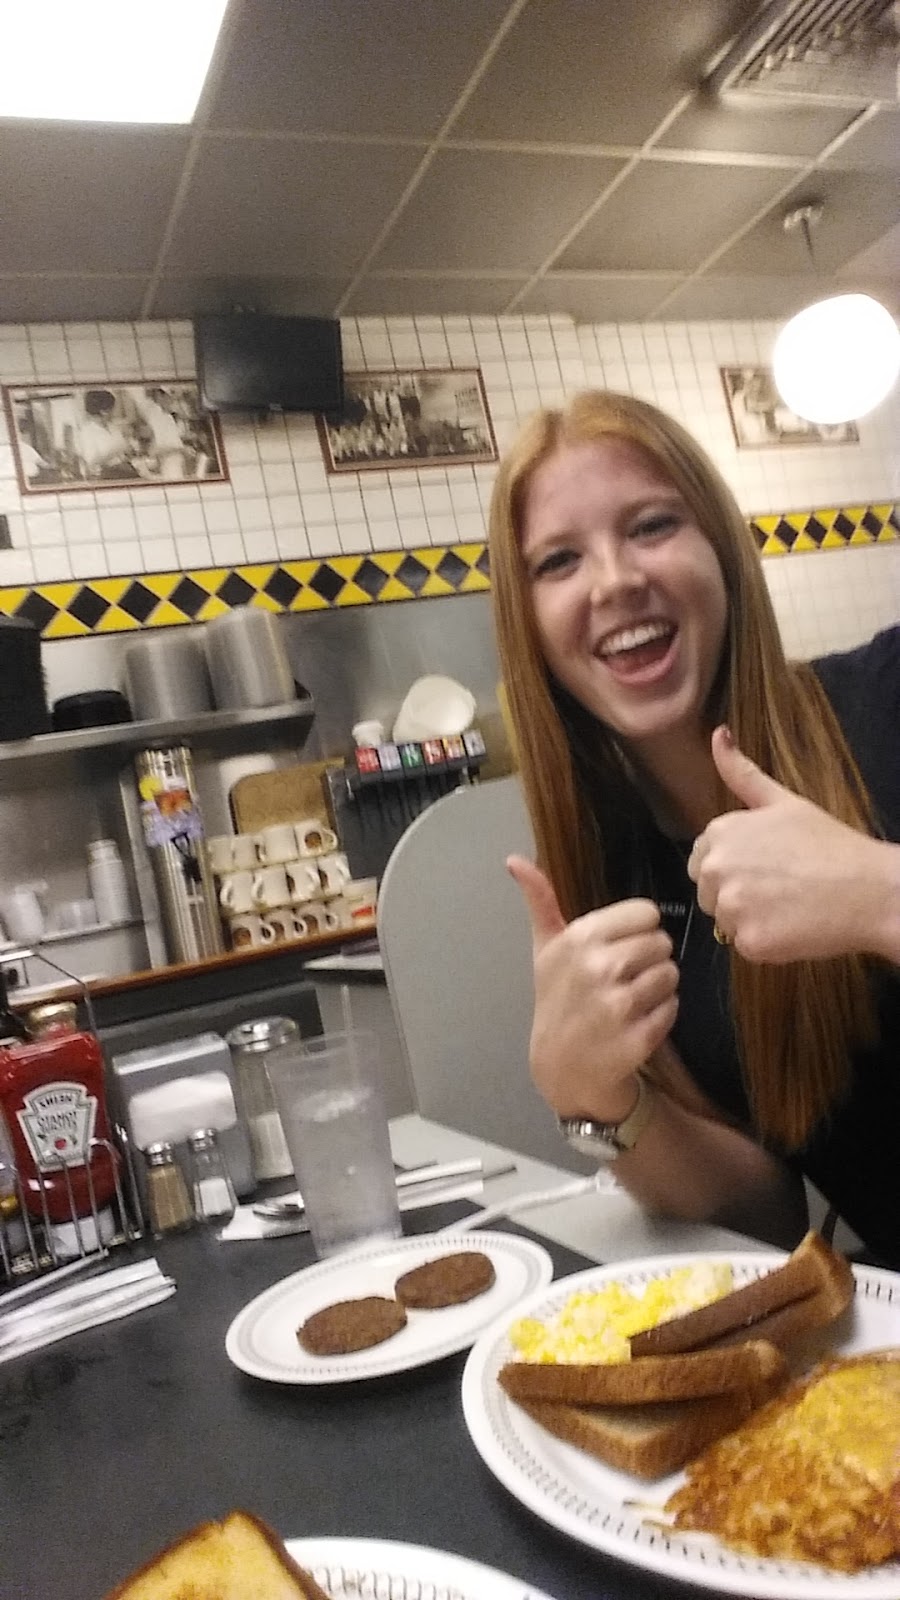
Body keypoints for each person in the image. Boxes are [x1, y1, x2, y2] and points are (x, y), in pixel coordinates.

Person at [489, 389, 900, 1268]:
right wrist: (594, 1097)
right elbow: (762, 1216)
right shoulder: (620, 865)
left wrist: (881, 894)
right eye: (559, 560)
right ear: (528, 624)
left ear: (721, 547)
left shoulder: (886, 700)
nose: (614, 580)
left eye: (651, 525)